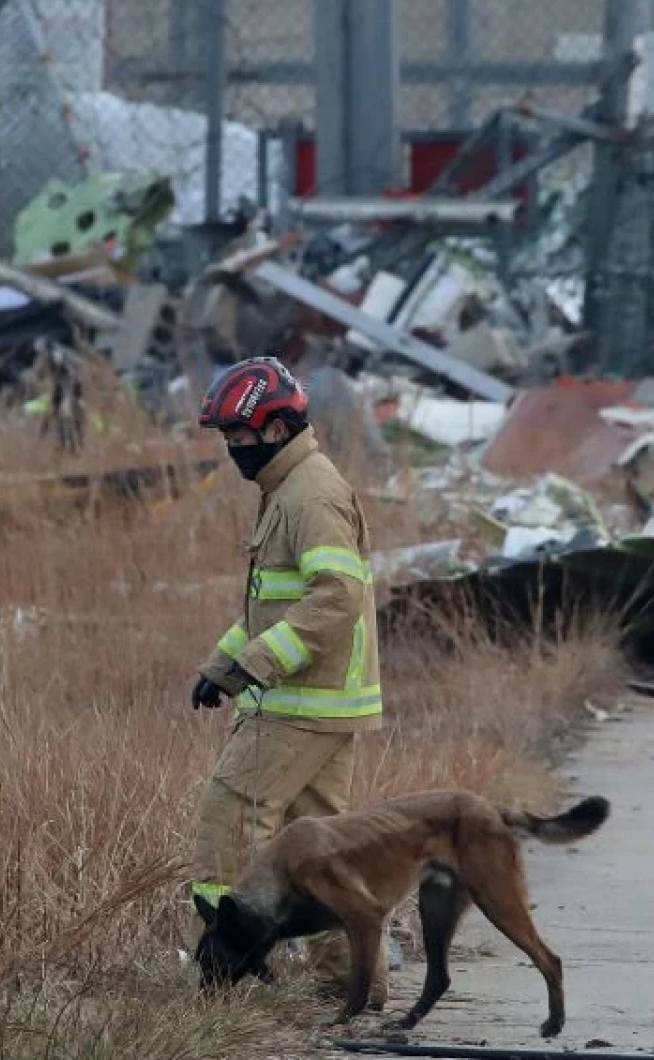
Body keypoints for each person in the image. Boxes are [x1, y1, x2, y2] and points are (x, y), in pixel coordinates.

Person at [188, 356, 387, 1007]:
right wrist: (223, 667)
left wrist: (258, 666)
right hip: (320, 703)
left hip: (299, 705)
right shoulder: (290, 488)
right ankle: (354, 986)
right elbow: (272, 606)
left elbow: (334, 599)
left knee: (231, 814)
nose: (231, 449)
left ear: (274, 429)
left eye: (238, 436)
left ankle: (231, 964)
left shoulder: (311, 495)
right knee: (322, 854)